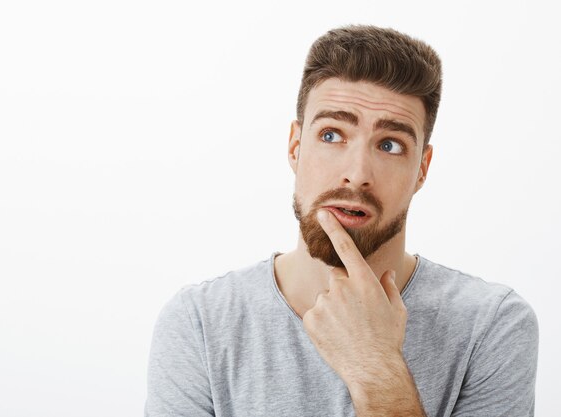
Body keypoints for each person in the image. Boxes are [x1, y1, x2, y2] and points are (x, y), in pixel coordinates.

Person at [144, 25, 538, 416]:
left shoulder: (491, 325)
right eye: (332, 135)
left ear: (422, 169)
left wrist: (376, 367)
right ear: (296, 147)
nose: (356, 172)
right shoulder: (200, 323)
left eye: (390, 145)